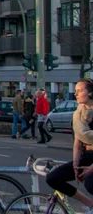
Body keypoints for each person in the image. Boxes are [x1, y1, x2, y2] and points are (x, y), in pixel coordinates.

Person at [46, 79, 93, 212]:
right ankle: (90, 205)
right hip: (87, 156)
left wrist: (91, 168)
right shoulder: (78, 114)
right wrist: (76, 165)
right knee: (53, 178)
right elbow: (78, 142)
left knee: (91, 184)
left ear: (89, 93)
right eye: (75, 91)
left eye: (79, 91)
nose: (76, 94)